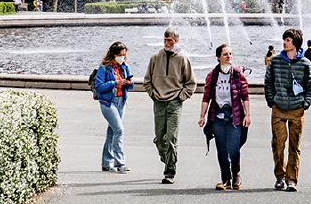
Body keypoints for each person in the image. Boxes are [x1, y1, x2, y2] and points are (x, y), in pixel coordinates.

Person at [143, 27, 196, 184]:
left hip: (174, 102)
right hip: (158, 102)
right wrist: (152, 94)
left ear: (176, 41)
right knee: (160, 139)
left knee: (171, 137)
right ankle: (167, 158)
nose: (166, 43)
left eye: (170, 40)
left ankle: (169, 172)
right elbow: (147, 80)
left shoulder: (183, 59)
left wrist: (181, 97)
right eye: (165, 40)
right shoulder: (155, 57)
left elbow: (191, 83)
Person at [265, 28, 311, 192]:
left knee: (294, 146)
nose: (284, 42)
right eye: (284, 39)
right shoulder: (276, 61)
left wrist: (305, 103)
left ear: (295, 43)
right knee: (278, 144)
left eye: (287, 40)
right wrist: (271, 100)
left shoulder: (306, 63)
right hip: (278, 108)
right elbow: (268, 82)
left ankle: (291, 180)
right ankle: (280, 175)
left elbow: (310, 86)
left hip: (297, 109)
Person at [198, 44, 251, 190]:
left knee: (234, 148)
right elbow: (206, 97)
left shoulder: (238, 74)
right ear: (218, 57)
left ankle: (237, 175)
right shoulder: (212, 75)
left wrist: (247, 115)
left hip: (235, 117)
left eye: (231, 54)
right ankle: (225, 179)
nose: (229, 57)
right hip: (217, 117)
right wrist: (202, 116)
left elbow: (245, 96)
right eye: (226, 54)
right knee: (221, 149)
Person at [94, 42, 134, 173]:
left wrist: (129, 82)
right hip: (107, 102)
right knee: (119, 129)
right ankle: (120, 163)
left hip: (121, 101)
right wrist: (116, 83)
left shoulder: (125, 67)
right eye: (120, 55)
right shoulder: (104, 68)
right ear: (113, 54)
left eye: (124, 55)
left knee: (112, 132)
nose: (122, 58)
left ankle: (106, 163)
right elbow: (99, 87)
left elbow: (130, 87)